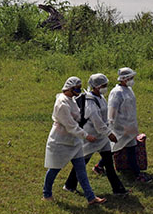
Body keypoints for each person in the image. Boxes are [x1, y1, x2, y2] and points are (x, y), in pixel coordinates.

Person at [42, 76, 107, 205]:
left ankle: (91, 197)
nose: (78, 90)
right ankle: (46, 194)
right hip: (61, 140)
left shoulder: (71, 99)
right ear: (70, 88)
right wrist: (86, 135)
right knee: (55, 168)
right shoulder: (62, 103)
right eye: (76, 88)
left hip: (74, 141)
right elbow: (70, 125)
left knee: (81, 170)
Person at [63, 73, 128, 195]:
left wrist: (109, 129)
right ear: (96, 86)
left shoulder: (100, 97)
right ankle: (69, 185)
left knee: (109, 164)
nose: (105, 87)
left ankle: (118, 189)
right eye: (103, 85)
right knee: (82, 163)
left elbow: (104, 117)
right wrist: (110, 134)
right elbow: (97, 122)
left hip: (101, 138)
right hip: (91, 138)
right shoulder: (90, 102)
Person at [108, 67, 152, 183]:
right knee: (118, 148)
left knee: (125, 148)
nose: (132, 80)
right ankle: (137, 174)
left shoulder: (128, 90)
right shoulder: (116, 92)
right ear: (124, 79)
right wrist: (111, 124)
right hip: (120, 127)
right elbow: (112, 110)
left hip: (129, 126)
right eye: (130, 78)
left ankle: (99, 166)